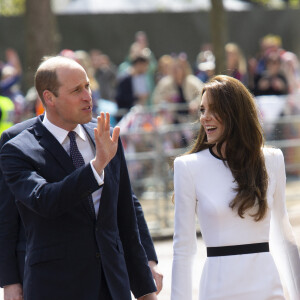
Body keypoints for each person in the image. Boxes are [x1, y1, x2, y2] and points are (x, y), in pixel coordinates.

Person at [0, 56, 158, 300]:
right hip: (55, 286)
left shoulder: (104, 137)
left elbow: (126, 212)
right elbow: (43, 201)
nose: (87, 96)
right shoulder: (18, 148)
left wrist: (145, 290)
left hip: (112, 286)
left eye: (87, 86)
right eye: (76, 90)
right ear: (49, 98)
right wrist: (9, 280)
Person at [171, 75, 300, 300]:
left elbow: (283, 235)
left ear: (235, 113)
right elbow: (183, 249)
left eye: (213, 109)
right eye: (202, 110)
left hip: (268, 289)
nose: (204, 118)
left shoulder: (271, 159)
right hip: (218, 291)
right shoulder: (187, 167)